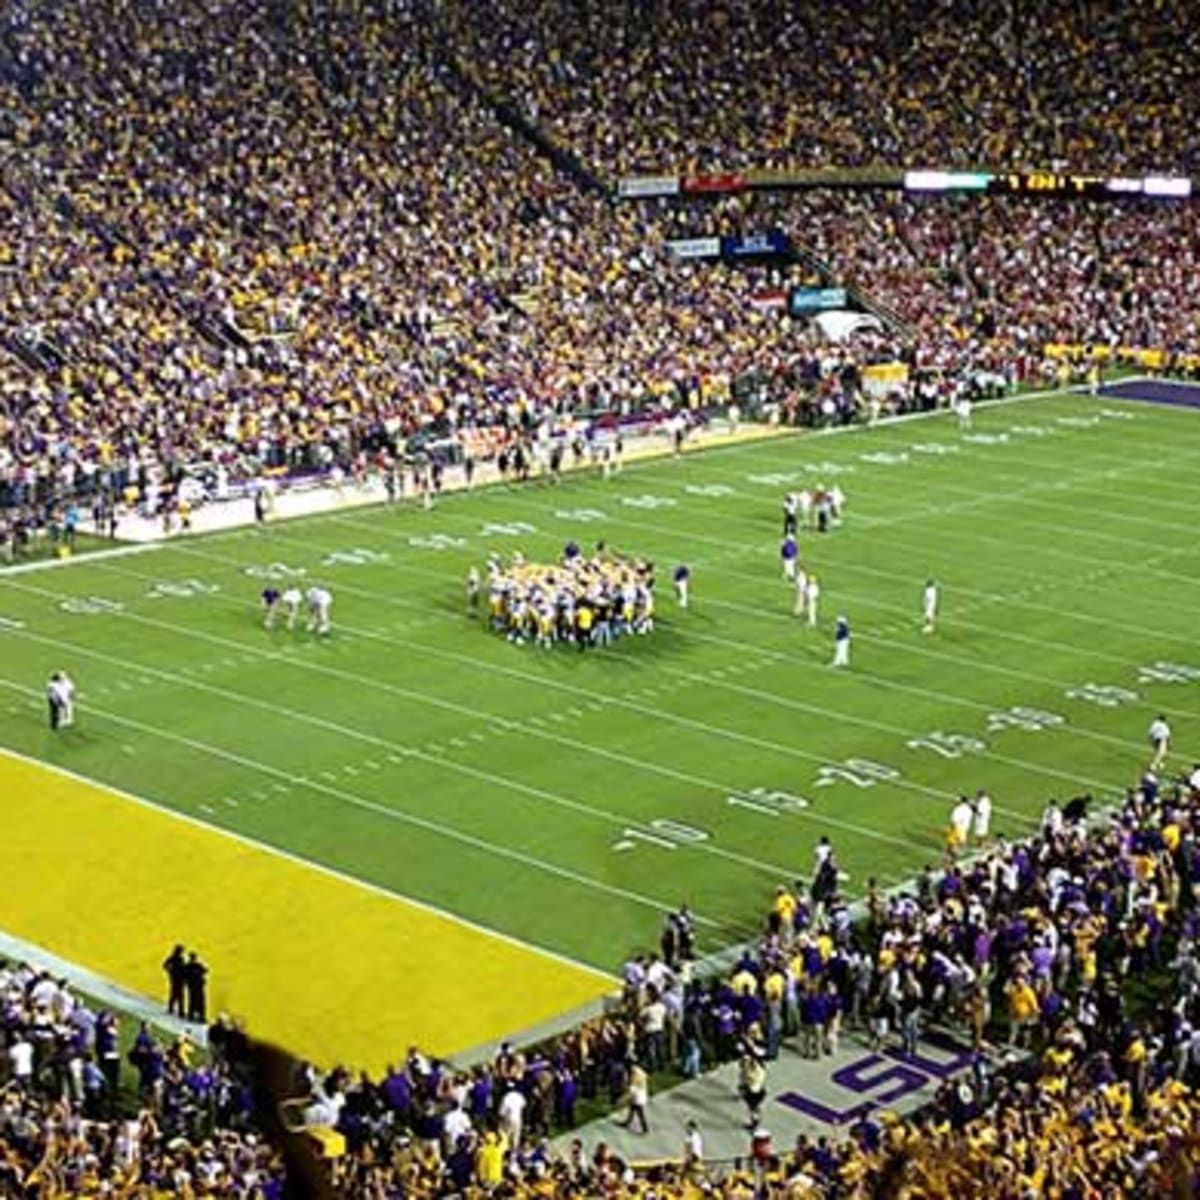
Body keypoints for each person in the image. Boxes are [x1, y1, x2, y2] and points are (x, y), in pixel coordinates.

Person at [738, 1048, 767, 1130]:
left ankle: (755, 1123)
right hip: (755, 1090)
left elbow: (750, 1077)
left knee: (753, 1108)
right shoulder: (758, 1067)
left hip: (754, 1092)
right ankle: (755, 1121)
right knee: (753, 1108)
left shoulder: (759, 1070)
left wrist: (746, 1071)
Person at [619, 1060, 649, 1133]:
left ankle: (645, 1128)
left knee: (639, 1112)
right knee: (632, 1110)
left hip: (638, 1097)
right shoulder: (640, 1071)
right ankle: (627, 1123)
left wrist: (622, 1099)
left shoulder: (635, 1074)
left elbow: (632, 1089)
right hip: (641, 1095)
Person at [183, 952, 208, 1023]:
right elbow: (205, 970)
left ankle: (191, 1016)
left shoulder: (187, 966)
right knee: (200, 1002)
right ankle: (201, 1017)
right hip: (199, 986)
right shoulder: (198, 965)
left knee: (192, 1001)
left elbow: (184, 976)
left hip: (192, 987)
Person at [163, 945, 187, 1016]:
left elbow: (165, 965)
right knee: (179, 995)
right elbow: (165, 965)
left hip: (176, 978)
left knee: (175, 994)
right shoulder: (178, 958)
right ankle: (180, 1011)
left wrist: (169, 971)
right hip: (178, 978)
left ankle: (173, 1009)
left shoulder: (173, 958)